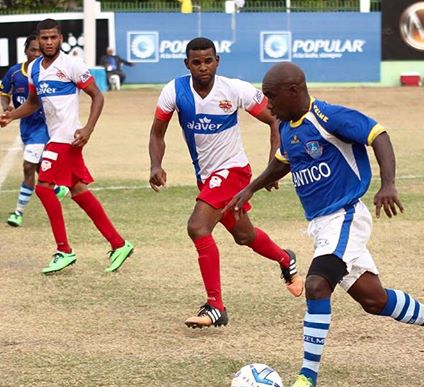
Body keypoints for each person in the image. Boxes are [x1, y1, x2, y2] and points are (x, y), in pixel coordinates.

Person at [225, 62, 424, 387]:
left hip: (345, 216)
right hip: (321, 225)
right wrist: (251, 188)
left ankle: (307, 379)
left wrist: (388, 184)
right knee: (374, 300)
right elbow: (283, 161)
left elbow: (378, 135)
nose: (267, 104)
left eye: (271, 96)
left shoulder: (329, 117)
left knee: (316, 284)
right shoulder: (286, 125)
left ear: (293, 91)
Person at [148, 37, 303, 328]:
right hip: (207, 178)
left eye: (208, 61)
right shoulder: (174, 91)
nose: (203, 67)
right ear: (187, 64)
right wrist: (156, 164)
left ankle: (215, 306)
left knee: (197, 227)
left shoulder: (234, 89)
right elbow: (157, 133)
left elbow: (275, 120)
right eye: (196, 62)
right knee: (244, 235)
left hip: (233, 172)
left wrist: (275, 161)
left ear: (217, 61)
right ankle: (285, 259)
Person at [0, 18, 134, 274]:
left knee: (43, 188)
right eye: (44, 38)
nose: (49, 42)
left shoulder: (72, 65)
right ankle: (119, 244)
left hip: (68, 138)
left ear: (60, 38)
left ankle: (64, 250)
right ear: (38, 40)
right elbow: (33, 103)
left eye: (53, 37)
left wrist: (88, 129)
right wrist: (11, 116)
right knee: (78, 190)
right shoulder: (35, 68)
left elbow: (97, 96)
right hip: (57, 138)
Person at [1, 35, 68, 227]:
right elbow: (4, 93)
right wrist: (6, 107)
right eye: (33, 50)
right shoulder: (15, 72)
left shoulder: (49, 73)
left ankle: (18, 212)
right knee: (38, 164)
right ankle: (57, 189)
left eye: (40, 50)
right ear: (26, 51)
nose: (37, 54)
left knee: (28, 166)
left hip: (44, 126)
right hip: (27, 127)